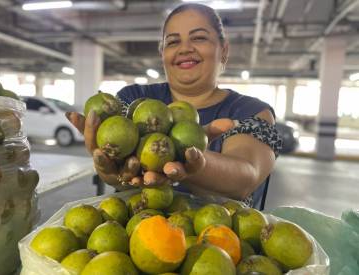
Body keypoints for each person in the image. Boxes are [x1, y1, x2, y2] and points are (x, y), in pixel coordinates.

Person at [66, 3, 281, 207]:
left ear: (223, 50)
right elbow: (120, 171)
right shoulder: (133, 100)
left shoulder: (250, 111)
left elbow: (245, 178)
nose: (185, 48)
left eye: (198, 38)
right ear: (163, 54)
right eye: (173, 42)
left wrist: (192, 163)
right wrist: (113, 174)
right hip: (135, 234)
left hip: (221, 240)